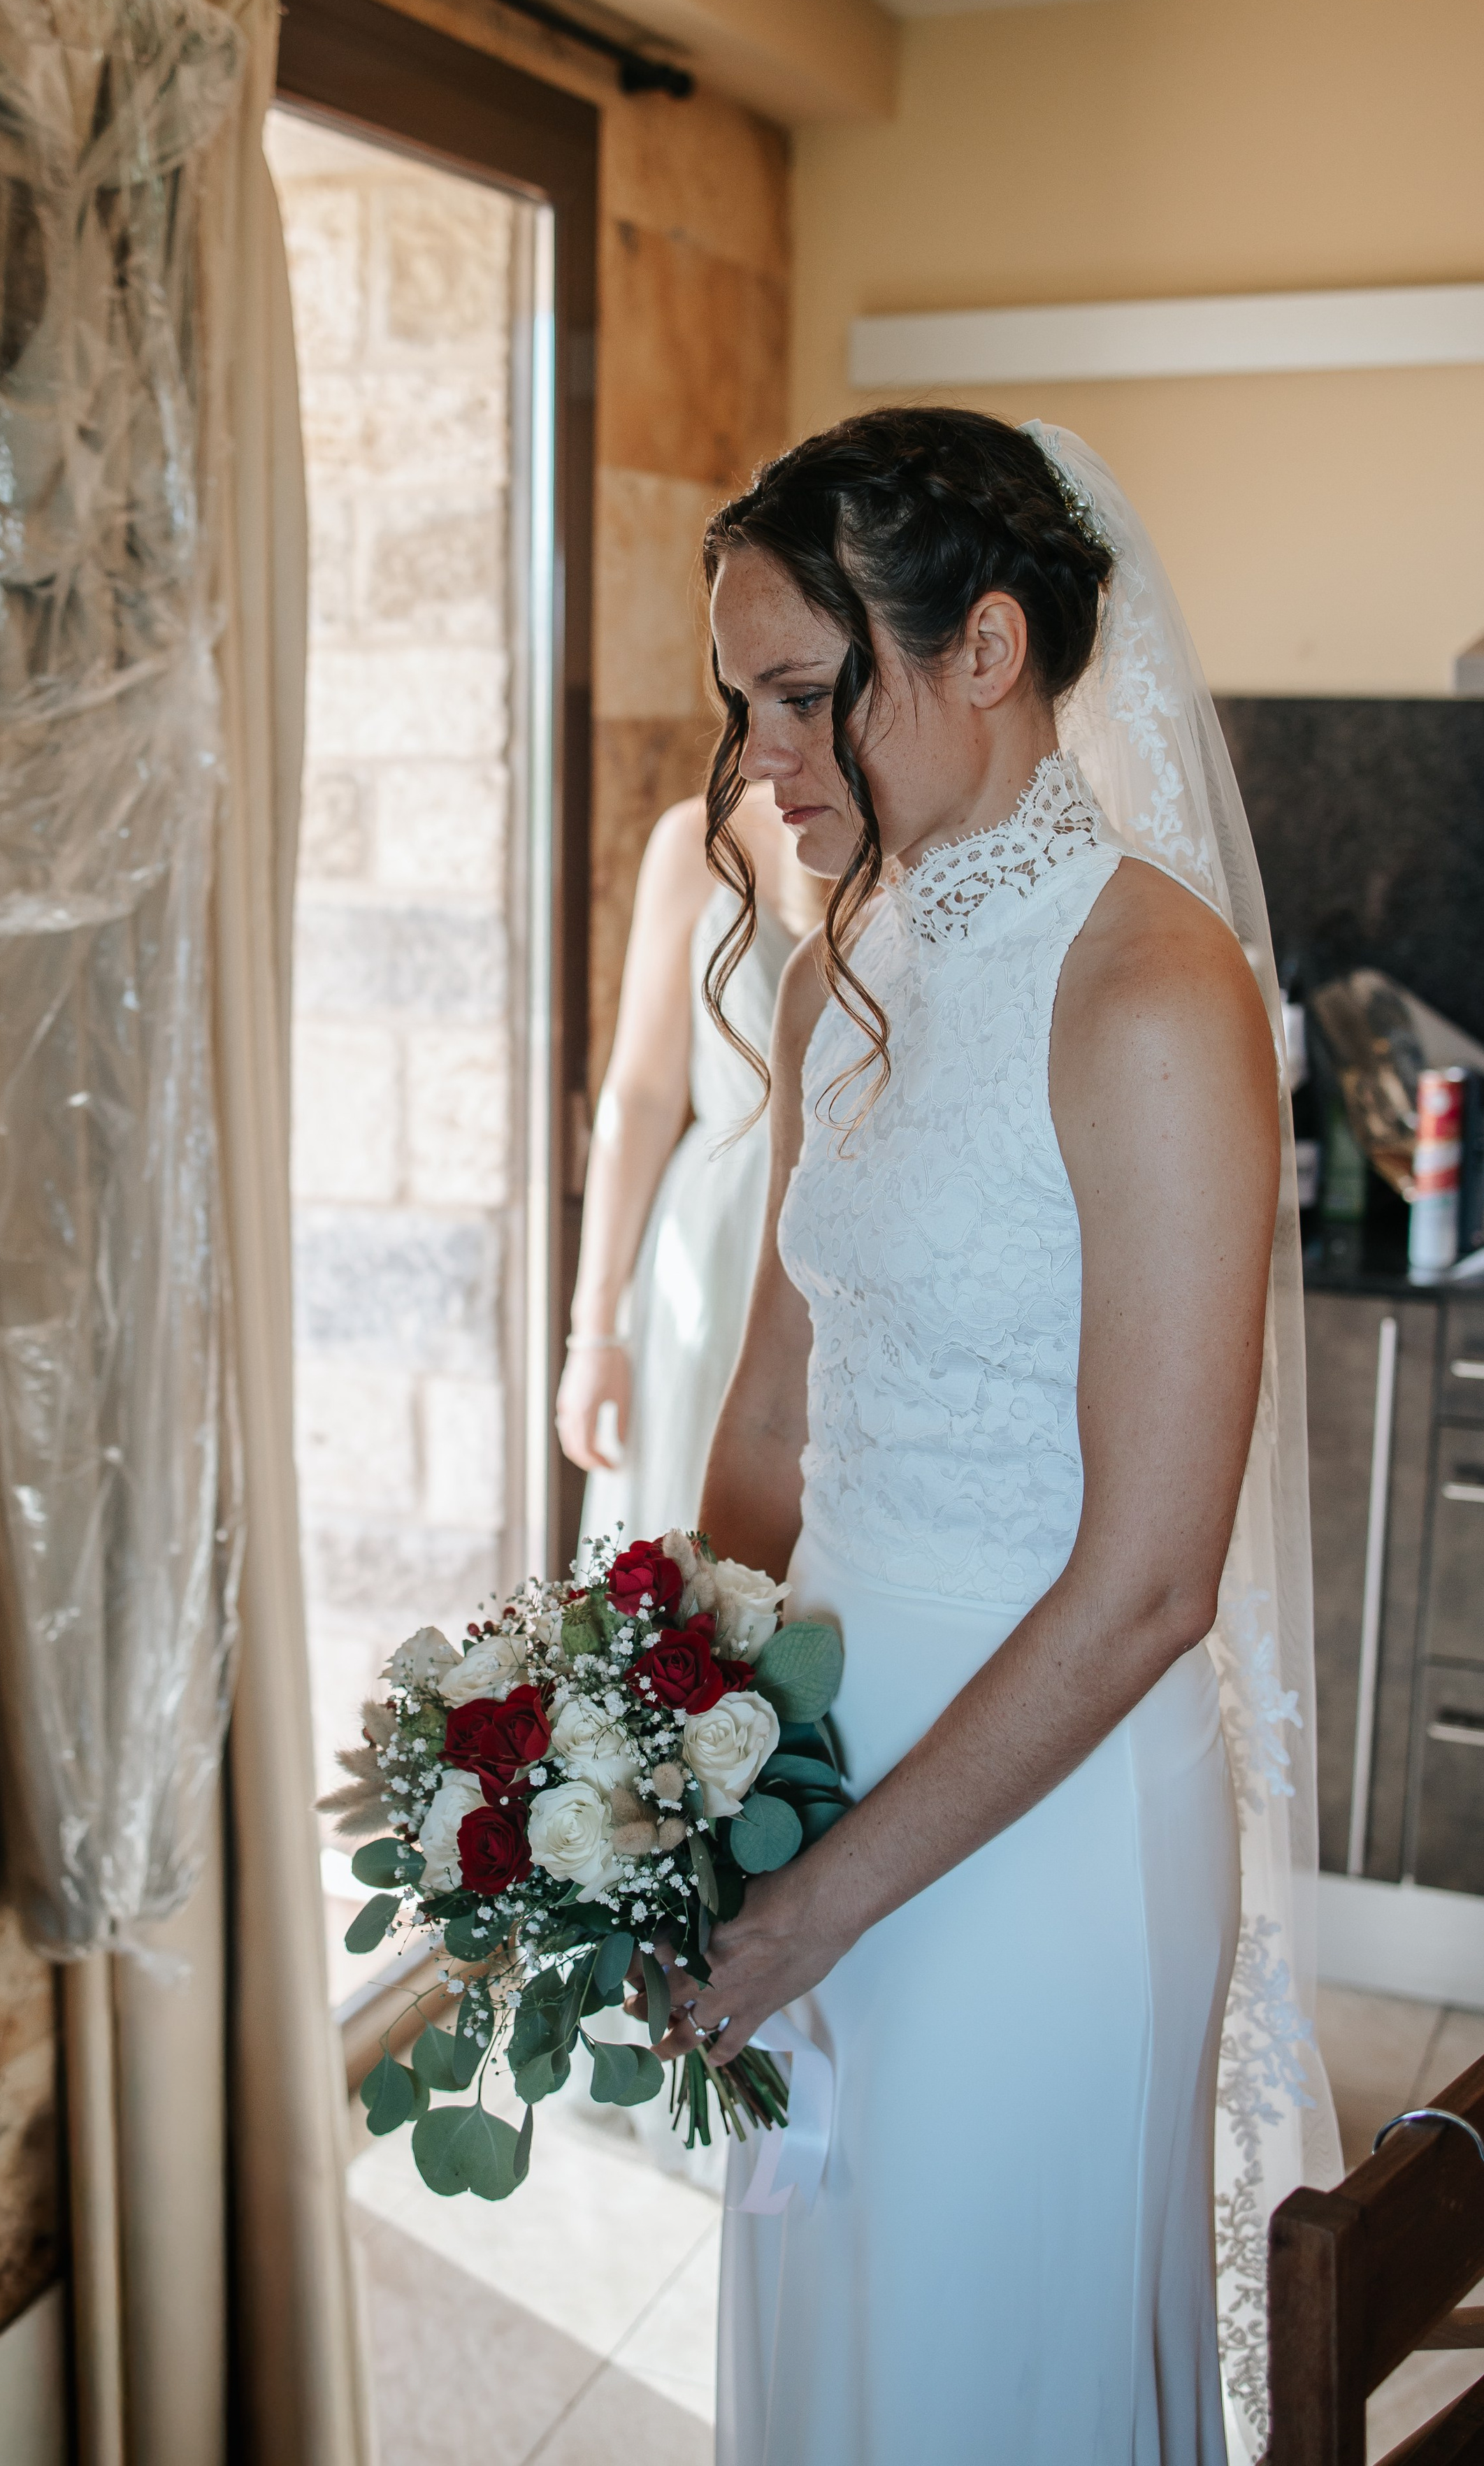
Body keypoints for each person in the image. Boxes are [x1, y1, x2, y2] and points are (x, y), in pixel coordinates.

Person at [644, 409, 1336, 2463]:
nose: (761, 759)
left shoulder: (1149, 992)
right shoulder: (833, 973)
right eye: (740, 705)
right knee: (838, 2332)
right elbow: (774, 1407)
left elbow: (1149, 1584)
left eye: (802, 693)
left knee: (988, 2359)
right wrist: (668, 1738)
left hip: (1045, 1822)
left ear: (985, 646)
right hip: (816, 1772)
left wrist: (822, 1896)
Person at [555, 782, 821, 1543]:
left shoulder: (925, 826)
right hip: (716, 1241)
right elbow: (640, 1094)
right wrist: (595, 1332)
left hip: (864, 1225)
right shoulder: (698, 839)